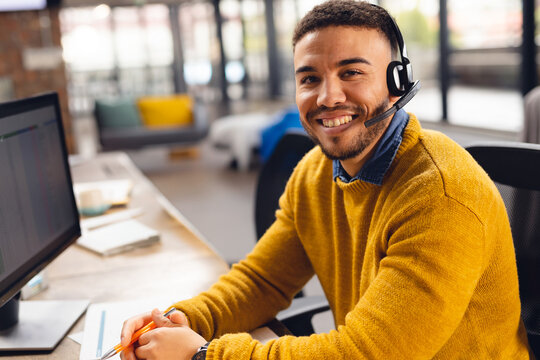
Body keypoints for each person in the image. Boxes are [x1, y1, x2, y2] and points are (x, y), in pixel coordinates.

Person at [120, 1, 531, 359]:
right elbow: (263, 281)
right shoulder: (315, 172)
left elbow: (368, 354)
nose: (328, 97)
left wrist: (204, 355)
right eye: (310, 78)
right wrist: (181, 319)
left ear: (396, 84)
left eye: (351, 72)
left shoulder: (440, 194)